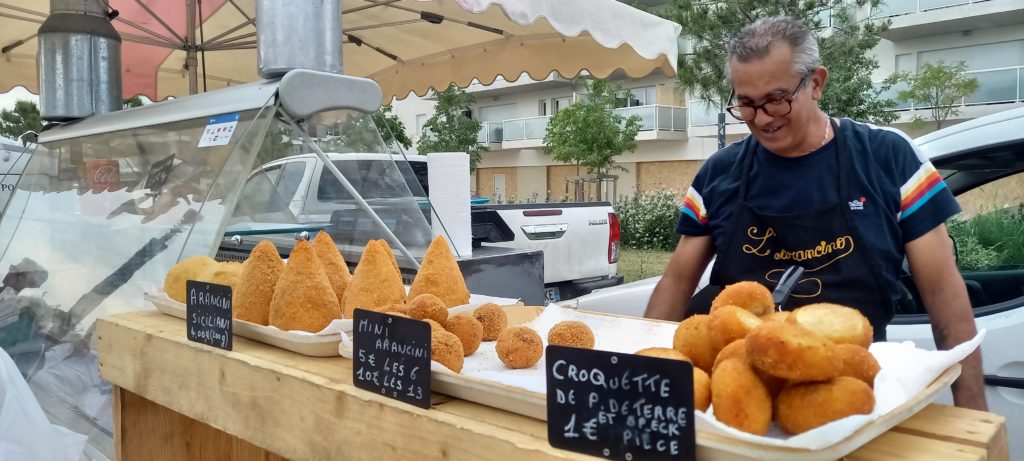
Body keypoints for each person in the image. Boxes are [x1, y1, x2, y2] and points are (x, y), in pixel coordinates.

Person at [644, 16, 987, 411]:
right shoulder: (720, 173)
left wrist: (973, 406)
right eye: (747, 104)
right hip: (742, 389)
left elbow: (943, 290)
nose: (762, 118)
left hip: (855, 387)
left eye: (776, 99)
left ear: (817, 82)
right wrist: (643, 375)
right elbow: (675, 284)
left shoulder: (888, 157)